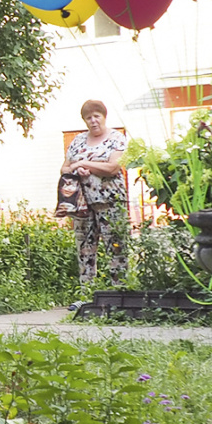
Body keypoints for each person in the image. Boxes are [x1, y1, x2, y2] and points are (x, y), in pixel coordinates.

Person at [60, 100, 129, 285]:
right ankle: (87, 293)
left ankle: (119, 292)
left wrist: (83, 164)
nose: (93, 121)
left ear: (104, 117)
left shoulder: (116, 138)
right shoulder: (78, 140)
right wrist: (77, 170)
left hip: (110, 202)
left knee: (116, 246)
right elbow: (65, 168)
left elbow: (113, 167)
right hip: (82, 204)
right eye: (88, 118)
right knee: (84, 248)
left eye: (96, 116)